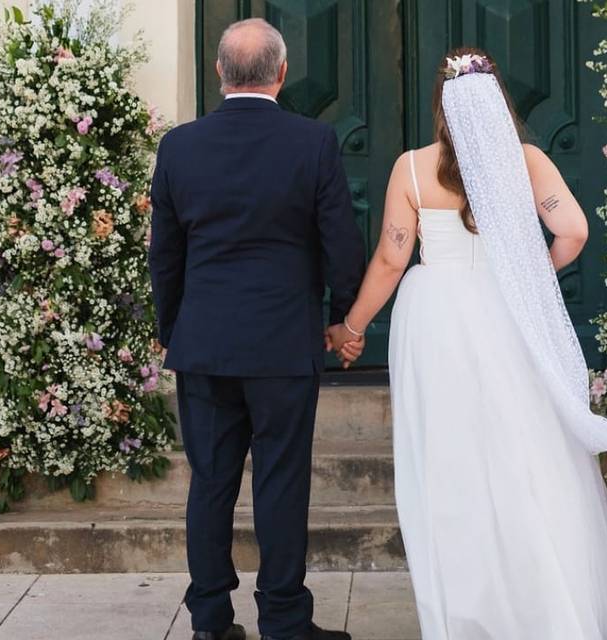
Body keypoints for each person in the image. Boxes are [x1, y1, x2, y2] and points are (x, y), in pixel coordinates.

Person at [327, 47, 607, 639]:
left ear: (443, 106)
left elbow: (394, 257)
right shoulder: (526, 161)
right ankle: (542, 605)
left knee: (447, 462)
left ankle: (464, 614)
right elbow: (573, 230)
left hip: (436, 320)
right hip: (505, 315)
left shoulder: (413, 168)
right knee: (522, 455)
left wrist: (352, 326)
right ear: (499, 103)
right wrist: (529, 275)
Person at [148, 18, 365, 640]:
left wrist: (172, 327)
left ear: (220, 72)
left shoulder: (179, 146)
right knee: (281, 481)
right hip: (283, 345)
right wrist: (344, 322)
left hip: (205, 344)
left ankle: (211, 622)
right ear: (282, 74)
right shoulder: (312, 141)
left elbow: (165, 254)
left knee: (210, 483)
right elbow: (340, 244)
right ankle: (284, 620)